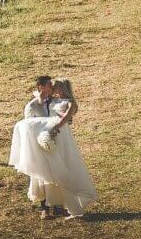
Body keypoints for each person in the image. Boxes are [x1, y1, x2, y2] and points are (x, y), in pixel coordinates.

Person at [9, 76, 97, 220]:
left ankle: (58, 207)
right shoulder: (32, 106)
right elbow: (29, 128)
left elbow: (67, 118)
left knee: (56, 171)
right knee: (41, 175)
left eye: (54, 85)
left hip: (57, 142)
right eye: (50, 85)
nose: (53, 88)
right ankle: (45, 208)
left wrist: (59, 124)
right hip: (40, 145)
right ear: (42, 87)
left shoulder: (57, 101)